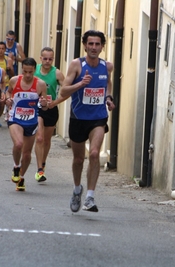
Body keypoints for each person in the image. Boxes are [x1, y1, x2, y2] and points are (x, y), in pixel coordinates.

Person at [60, 30, 115, 213]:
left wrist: (108, 98)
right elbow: (63, 91)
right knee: (78, 160)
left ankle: (90, 197)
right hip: (78, 118)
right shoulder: (77, 65)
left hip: (98, 117)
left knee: (93, 154)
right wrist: (80, 84)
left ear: (102, 46)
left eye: (97, 44)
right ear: (85, 45)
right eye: (90, 44)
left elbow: (108, 84)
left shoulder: (107, 66)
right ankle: (77, 190)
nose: (93, 47)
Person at [5, 57, 47, 191]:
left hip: (31, 121)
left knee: (27, 154)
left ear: (35, 70)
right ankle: (16, 167)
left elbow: (44, 106)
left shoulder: (40, 84)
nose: (28, 75)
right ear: (22, 70)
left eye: (30, 72)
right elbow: (8, 92)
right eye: (25, 72)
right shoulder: (14, 80)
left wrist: (45, 104)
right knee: (18, 144)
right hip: (15, 118)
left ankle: (21, 177)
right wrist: (7, 99)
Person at [33, 47, 65, 182]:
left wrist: (56, 102)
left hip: (51, 108)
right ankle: (39, 170)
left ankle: (43, 162)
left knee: (46, 140)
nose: (47, 61)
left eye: (50, 59)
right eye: (45, 58)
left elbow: (66, 90)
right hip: (36, 107)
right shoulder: (34, 70)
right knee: (39, 138)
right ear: (40, 58)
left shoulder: (57, 73)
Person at [0, 41, 14, 127]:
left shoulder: (8, 60)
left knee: (2, 102)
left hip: (5, 84)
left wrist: (10, 69)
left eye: (3, 49)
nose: (1, 51)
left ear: (5, 49)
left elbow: (13, 74)